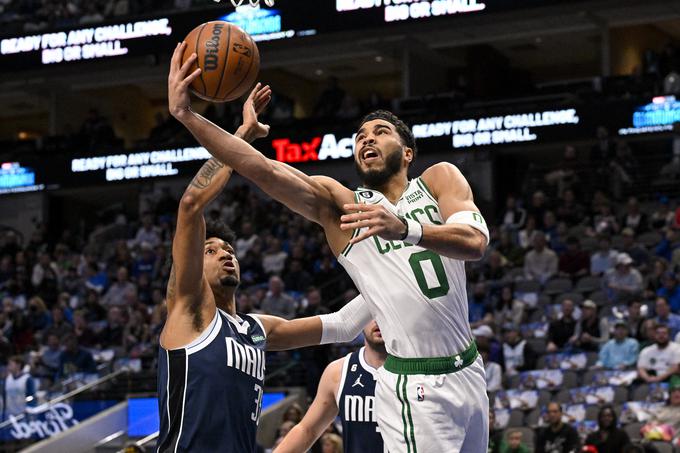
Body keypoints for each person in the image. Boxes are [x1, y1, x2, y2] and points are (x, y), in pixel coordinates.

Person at [169, 43, 490, 452]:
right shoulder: (342, 206)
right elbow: (261, 168)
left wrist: (404, 227)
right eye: (359, 136)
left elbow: (475, 243)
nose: (367, 139)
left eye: (380, 132)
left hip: (469, 369)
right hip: (415, 385)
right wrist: (188, 116)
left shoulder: (441, 179)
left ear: (408, 152)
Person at [158, 82, 371, 453]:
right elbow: (192, 203)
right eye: (211, 251)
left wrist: (399, 276)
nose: (226, 254)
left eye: (229, 249)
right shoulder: (187, 311)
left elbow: (343, 325)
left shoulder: (257, 331)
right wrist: (240, 137)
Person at [275, 321, 386, 453]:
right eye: (373, 313)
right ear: (362, 317)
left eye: (385, 311)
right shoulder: (338, 371)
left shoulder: (416, 370)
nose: (379, 320)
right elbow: (308, 430)